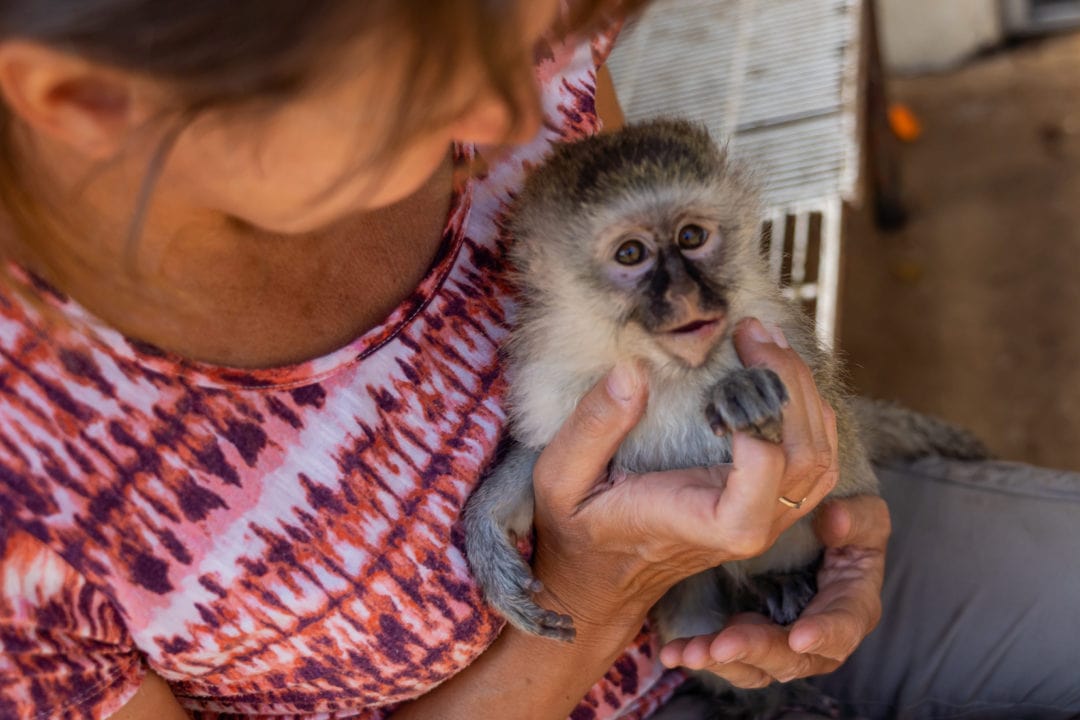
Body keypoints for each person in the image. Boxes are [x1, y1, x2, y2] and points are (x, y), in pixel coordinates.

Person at [0, 2, 1075, 720]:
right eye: (412, 81)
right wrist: (602, 587)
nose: (511, 122)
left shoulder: (522, 89)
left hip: (801, 541)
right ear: (92, 100)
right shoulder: (27, 485)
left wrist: (846, 511)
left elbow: (741, 334)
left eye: (538, 40)